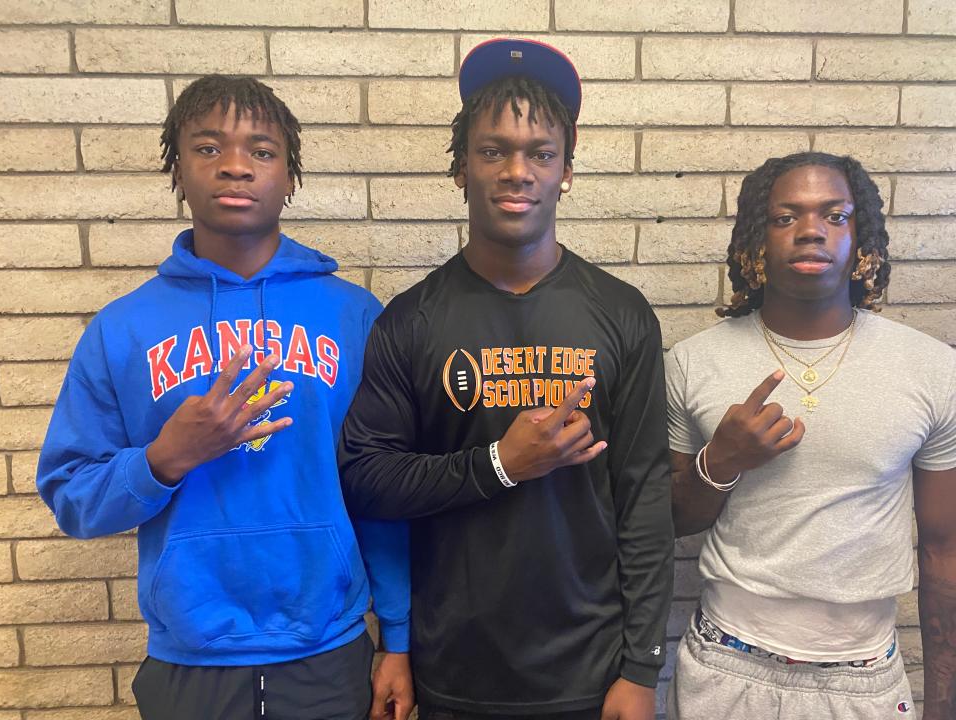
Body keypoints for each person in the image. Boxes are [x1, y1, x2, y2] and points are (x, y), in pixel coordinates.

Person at [36, 75, 413, 720]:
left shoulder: (353, 318)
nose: (236, 166)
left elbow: (381, 490)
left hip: (328, 652)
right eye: (208, 148)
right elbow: (72, 497)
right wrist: (163, 460)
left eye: (261, 151)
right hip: (190, 662)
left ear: (289, 175)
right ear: (177, 170)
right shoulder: (123, 329)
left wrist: (399, 639)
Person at [339, 39, 673, 720]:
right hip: (455, 673)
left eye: (540, 154)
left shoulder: (621, 314)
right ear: (462, 168)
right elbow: (367, 479)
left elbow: (643, 499)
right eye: (493, 151)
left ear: (566, 171)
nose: (517, 171)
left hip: (591, 673)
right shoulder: (412, 319)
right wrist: (498, 465)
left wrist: (641, 668)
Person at [665, 151, 956, 720]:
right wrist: (721, 461)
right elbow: (669, 521)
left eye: (835, 215)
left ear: (860, 240)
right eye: (785, 218)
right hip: (725, 668)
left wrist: (944, 697)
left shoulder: (929, 368)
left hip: (863, 676)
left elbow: (944, 547)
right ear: (756, 241)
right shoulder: (694, 362)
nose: (810, 231)